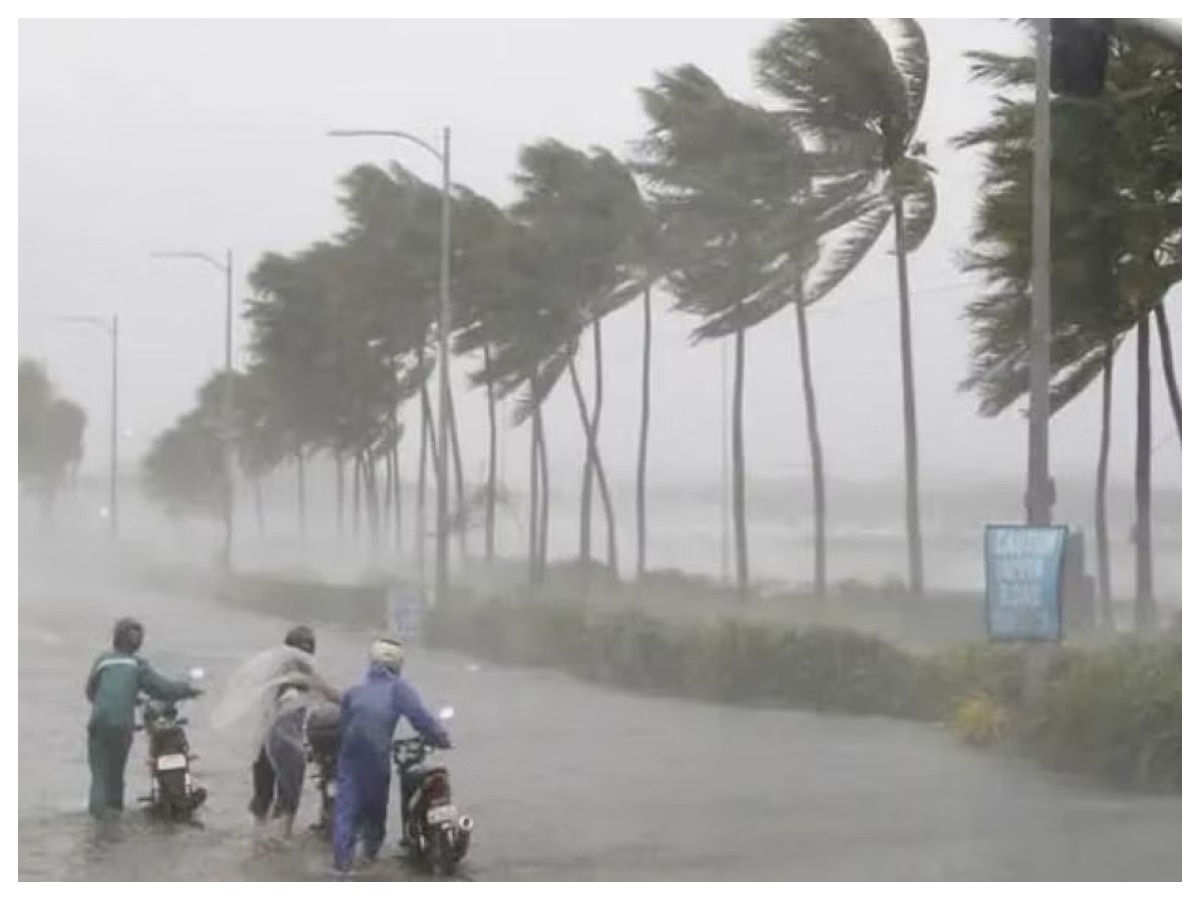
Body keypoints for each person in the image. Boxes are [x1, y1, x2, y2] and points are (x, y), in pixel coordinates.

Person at [331, 635, 450, 875]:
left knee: (346, 813)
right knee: (374, 815)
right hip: (376, 759)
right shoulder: (399, 689)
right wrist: (442, 739)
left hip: (350, 758)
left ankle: (342, 870)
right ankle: (368, 862)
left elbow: (342, 727)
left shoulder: (354, 692)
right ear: (398, 664)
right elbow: (421, 719)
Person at [84, 617, 201, 818]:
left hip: (98, 723)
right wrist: (188, 690)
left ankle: (97, 819)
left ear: (115, 638)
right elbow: (163, 689)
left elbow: (90, 692)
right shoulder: (136, 665)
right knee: (115, 773)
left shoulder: (102, 661)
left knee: (99, 775)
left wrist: (122, 699)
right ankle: (113, 815)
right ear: (138, 643)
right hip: (122, 726)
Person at [249, 625, 340, 839]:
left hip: (263, 742)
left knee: (262, 795)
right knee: (288, 797)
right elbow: (329, 693)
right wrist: (353, 702)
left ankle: (257, 840)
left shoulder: (273, 671)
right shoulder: (303, 673)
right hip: (286, 745)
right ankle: (282, 842)